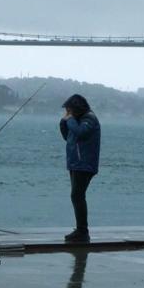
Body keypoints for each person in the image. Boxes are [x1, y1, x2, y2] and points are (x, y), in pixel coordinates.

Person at [59, 94, 100, 243]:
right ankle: (81, 230)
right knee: (77, 195)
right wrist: (64, 122)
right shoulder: (76, 120)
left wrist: (69, 120)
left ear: (77, 108)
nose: (68, 113)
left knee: (77, 195)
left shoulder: (89, 119)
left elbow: (81, 133)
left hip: (85, 164)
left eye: (70, 110)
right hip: (76, 163)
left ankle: (83, 231)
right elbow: (67, 136)